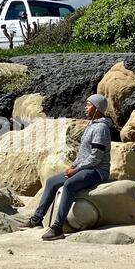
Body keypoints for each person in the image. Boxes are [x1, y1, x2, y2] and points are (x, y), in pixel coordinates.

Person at [18, 94, 112, 241]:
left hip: (97, 171)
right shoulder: (92, 125)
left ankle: (57, 228)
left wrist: (76, 170)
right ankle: (36, 218)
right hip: (84, 168)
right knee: (51, 182)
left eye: (88, 104)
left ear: (97, 108)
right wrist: (73, 167)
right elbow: (83, 153)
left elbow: (96, 157)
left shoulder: (101, 128)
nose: (85, 107)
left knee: (69, 185)